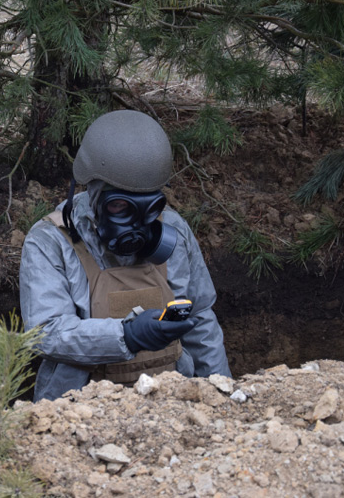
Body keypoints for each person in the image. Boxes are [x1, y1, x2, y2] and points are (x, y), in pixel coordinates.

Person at [19, 110, 230, 401]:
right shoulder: (50, 241)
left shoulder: (172, 228)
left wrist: (221, 391)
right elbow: (46, 333)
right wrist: (126, 335)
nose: (137, 223)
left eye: (149, 207)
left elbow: (201, 318)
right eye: (121, 206)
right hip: (79, 411)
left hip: (172, 404)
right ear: (92, 191)